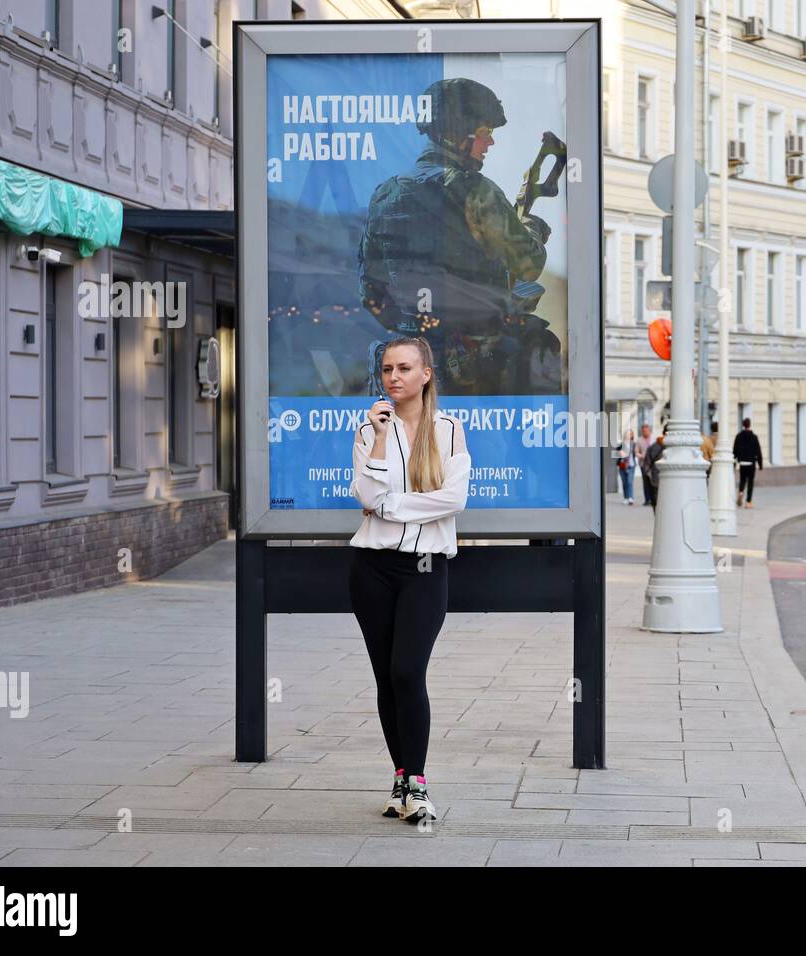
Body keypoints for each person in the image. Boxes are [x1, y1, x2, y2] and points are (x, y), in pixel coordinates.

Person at [358, 77, 560, 396]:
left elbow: (371, 293)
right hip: (474, 377)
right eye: (484, 134)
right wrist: (533, 228)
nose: (489, 144)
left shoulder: (385, 193)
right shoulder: (476, 191)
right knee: (540, 342)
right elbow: (529, 263)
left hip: (405, 376)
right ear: (456, 133)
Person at [348, 336, 470, 826]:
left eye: (403, 368)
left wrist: (393, 507)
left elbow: (454, 497)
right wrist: (378, 439)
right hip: (371, 568)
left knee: (406, 671)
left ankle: (418, 784)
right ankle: (400, 776)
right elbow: (364, 490)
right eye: (386, 369)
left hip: (425, 568)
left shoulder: (449, 429)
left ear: (426, 374)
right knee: (384, 677)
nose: (393, 377)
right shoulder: (367, 430)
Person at [733, 418, 763, 508]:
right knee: (750, 482)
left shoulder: (738, 436)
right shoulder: (754, 437)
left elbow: (735, 451)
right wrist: (760, 464)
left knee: (742, 480)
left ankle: (741, 492)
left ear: (743, 425)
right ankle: (748, 502)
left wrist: (734, 463)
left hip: (742, 463)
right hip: (751, 463)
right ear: (749, 425)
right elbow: (758, 451)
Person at [614, 428, 636, 504]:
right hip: (622, 466)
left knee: (630, 481)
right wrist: (620, 453)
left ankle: (631, 498)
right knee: (624, 482)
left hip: (631, 465)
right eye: (627, 434)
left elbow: (636, 453)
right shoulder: (621, 444)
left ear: (632, 435)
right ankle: (626, 497)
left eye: (630, 434)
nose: (628, 435)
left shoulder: (634, 444)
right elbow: (615, 454)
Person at [634, 423, 654, 505]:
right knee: (645, 482)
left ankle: (653, 499)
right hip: (643, 464)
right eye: (643, 431)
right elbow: (636, 452)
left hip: (653, 464)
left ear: (649, 430)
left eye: (646, 431)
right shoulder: (639, 440)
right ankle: (647, 499)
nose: (644, 432)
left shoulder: (654, 439)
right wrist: (641, 456)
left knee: (653, 481)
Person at [644, 434, 665, 509]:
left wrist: (649, 476)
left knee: (656, 501)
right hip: (659, 479)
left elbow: (647, 463)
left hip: (655, 479)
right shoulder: (673, 447)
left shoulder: (652, 446)